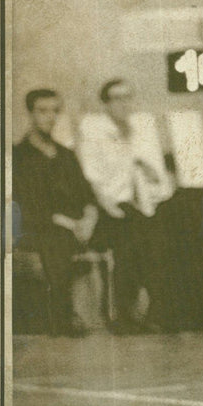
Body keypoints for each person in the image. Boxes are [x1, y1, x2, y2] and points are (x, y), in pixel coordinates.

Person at [76, 79, 175, 333]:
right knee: (131, 241)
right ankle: (124, 314)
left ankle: (158, 310)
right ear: (106, 104)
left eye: (128, 97)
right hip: (108, 208)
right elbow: (91, 179)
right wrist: (110, 207)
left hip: (141, 206)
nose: (124, 103)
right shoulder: (94, 132)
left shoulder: (141, 131)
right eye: (117, 98)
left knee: (160, 239)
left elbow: (157, 176)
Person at [13, 89, 99, 336]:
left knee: (130, 229)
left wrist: (89, 218)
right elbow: (26, 205)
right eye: (42, 111)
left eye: (54, 111)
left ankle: (132, 315)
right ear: (30, 114)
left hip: (77, 225)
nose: (50, 117)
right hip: (38, 226)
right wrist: (70, 224)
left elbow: (87, 194)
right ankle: (64, 316)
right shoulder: (19, 156)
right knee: (56, 240)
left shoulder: (65, 155)